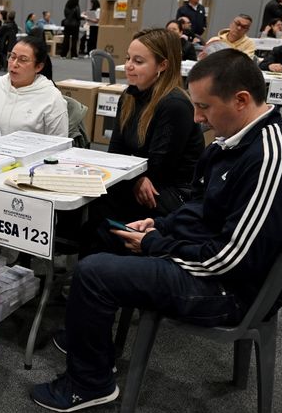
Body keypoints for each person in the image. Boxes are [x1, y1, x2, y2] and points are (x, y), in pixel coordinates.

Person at [32, 50, 282, 413]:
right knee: (107, 233)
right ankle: (92, 345)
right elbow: (202, 207)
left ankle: (89, 384)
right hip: (214, 258)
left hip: (233, 289)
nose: (198, 118)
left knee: (93, 272)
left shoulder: (273, 160)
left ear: (241, 100)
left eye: (205, 107)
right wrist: (160, 225)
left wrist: (155, 245)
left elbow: (231, 260)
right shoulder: (238, 141)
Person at [81, 28, 204, 256]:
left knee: (102, 209)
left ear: (162, 65)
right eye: (128, 58)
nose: (128, 65)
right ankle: (91, 270)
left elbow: (160, 168)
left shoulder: (174, 104)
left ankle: (100, 271)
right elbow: (114, 152)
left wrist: (133, 176)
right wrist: (136, 177)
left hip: (173, 191)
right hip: (139, 179)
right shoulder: (129, 95)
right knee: (93, 201)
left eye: (138, 61)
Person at [0, 36, 68, 229]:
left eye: (23, 60)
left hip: (28, 175)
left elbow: (58, 149)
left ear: (39, 67)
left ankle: (19, 247)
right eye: (12, 57)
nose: (14, 64)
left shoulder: (51, 97)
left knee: (19, 205)